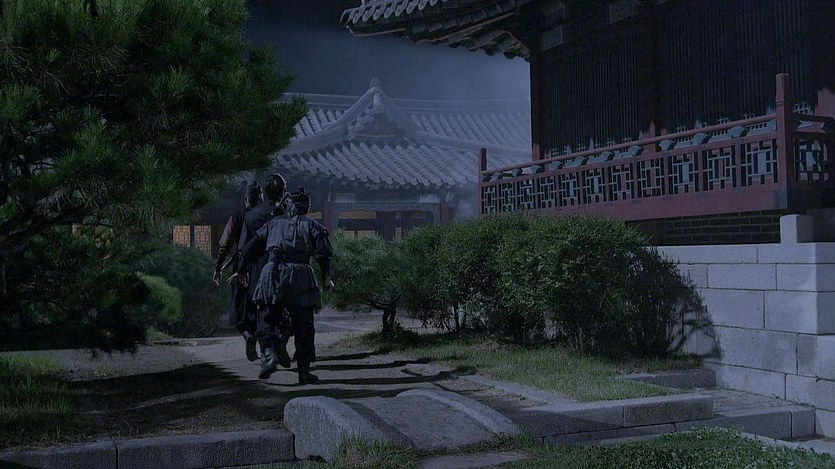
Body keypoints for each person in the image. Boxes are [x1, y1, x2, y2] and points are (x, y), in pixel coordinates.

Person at [230, 176, 334, 383]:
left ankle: (269, 356)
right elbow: (324, 254)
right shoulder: (312, 225)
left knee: (268, 317)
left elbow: (249, 248)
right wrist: (326, 278)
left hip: (273, 273)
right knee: (303, 324)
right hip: (301, 276)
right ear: (305, 207)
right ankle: (303, 371)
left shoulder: (273, 224)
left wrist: (241, 270)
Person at [213, 180, 261, 361]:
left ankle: (248, 335)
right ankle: (256, 338)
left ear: (246, 199)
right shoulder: (266, 217)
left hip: (240, 267)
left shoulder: (237, 218)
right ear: (260, 198)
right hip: (260, 266)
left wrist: (218, 268)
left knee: (239, 306)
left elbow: (224, 246)